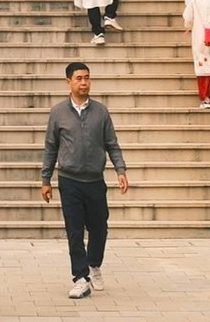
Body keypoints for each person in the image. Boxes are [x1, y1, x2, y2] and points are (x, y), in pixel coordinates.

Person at [40, 62, 128, 301]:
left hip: (95, 181)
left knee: (99, 228)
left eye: (87, 78)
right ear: (68, 82)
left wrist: (120, 169)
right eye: (79, 78)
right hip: (69, 181)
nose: (84, 82)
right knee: (74, 231)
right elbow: (51, 147)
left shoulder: (101, 111)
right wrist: (45, 179)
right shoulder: (58, 113)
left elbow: (112, 143)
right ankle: (80, 277)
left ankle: (94, 264)